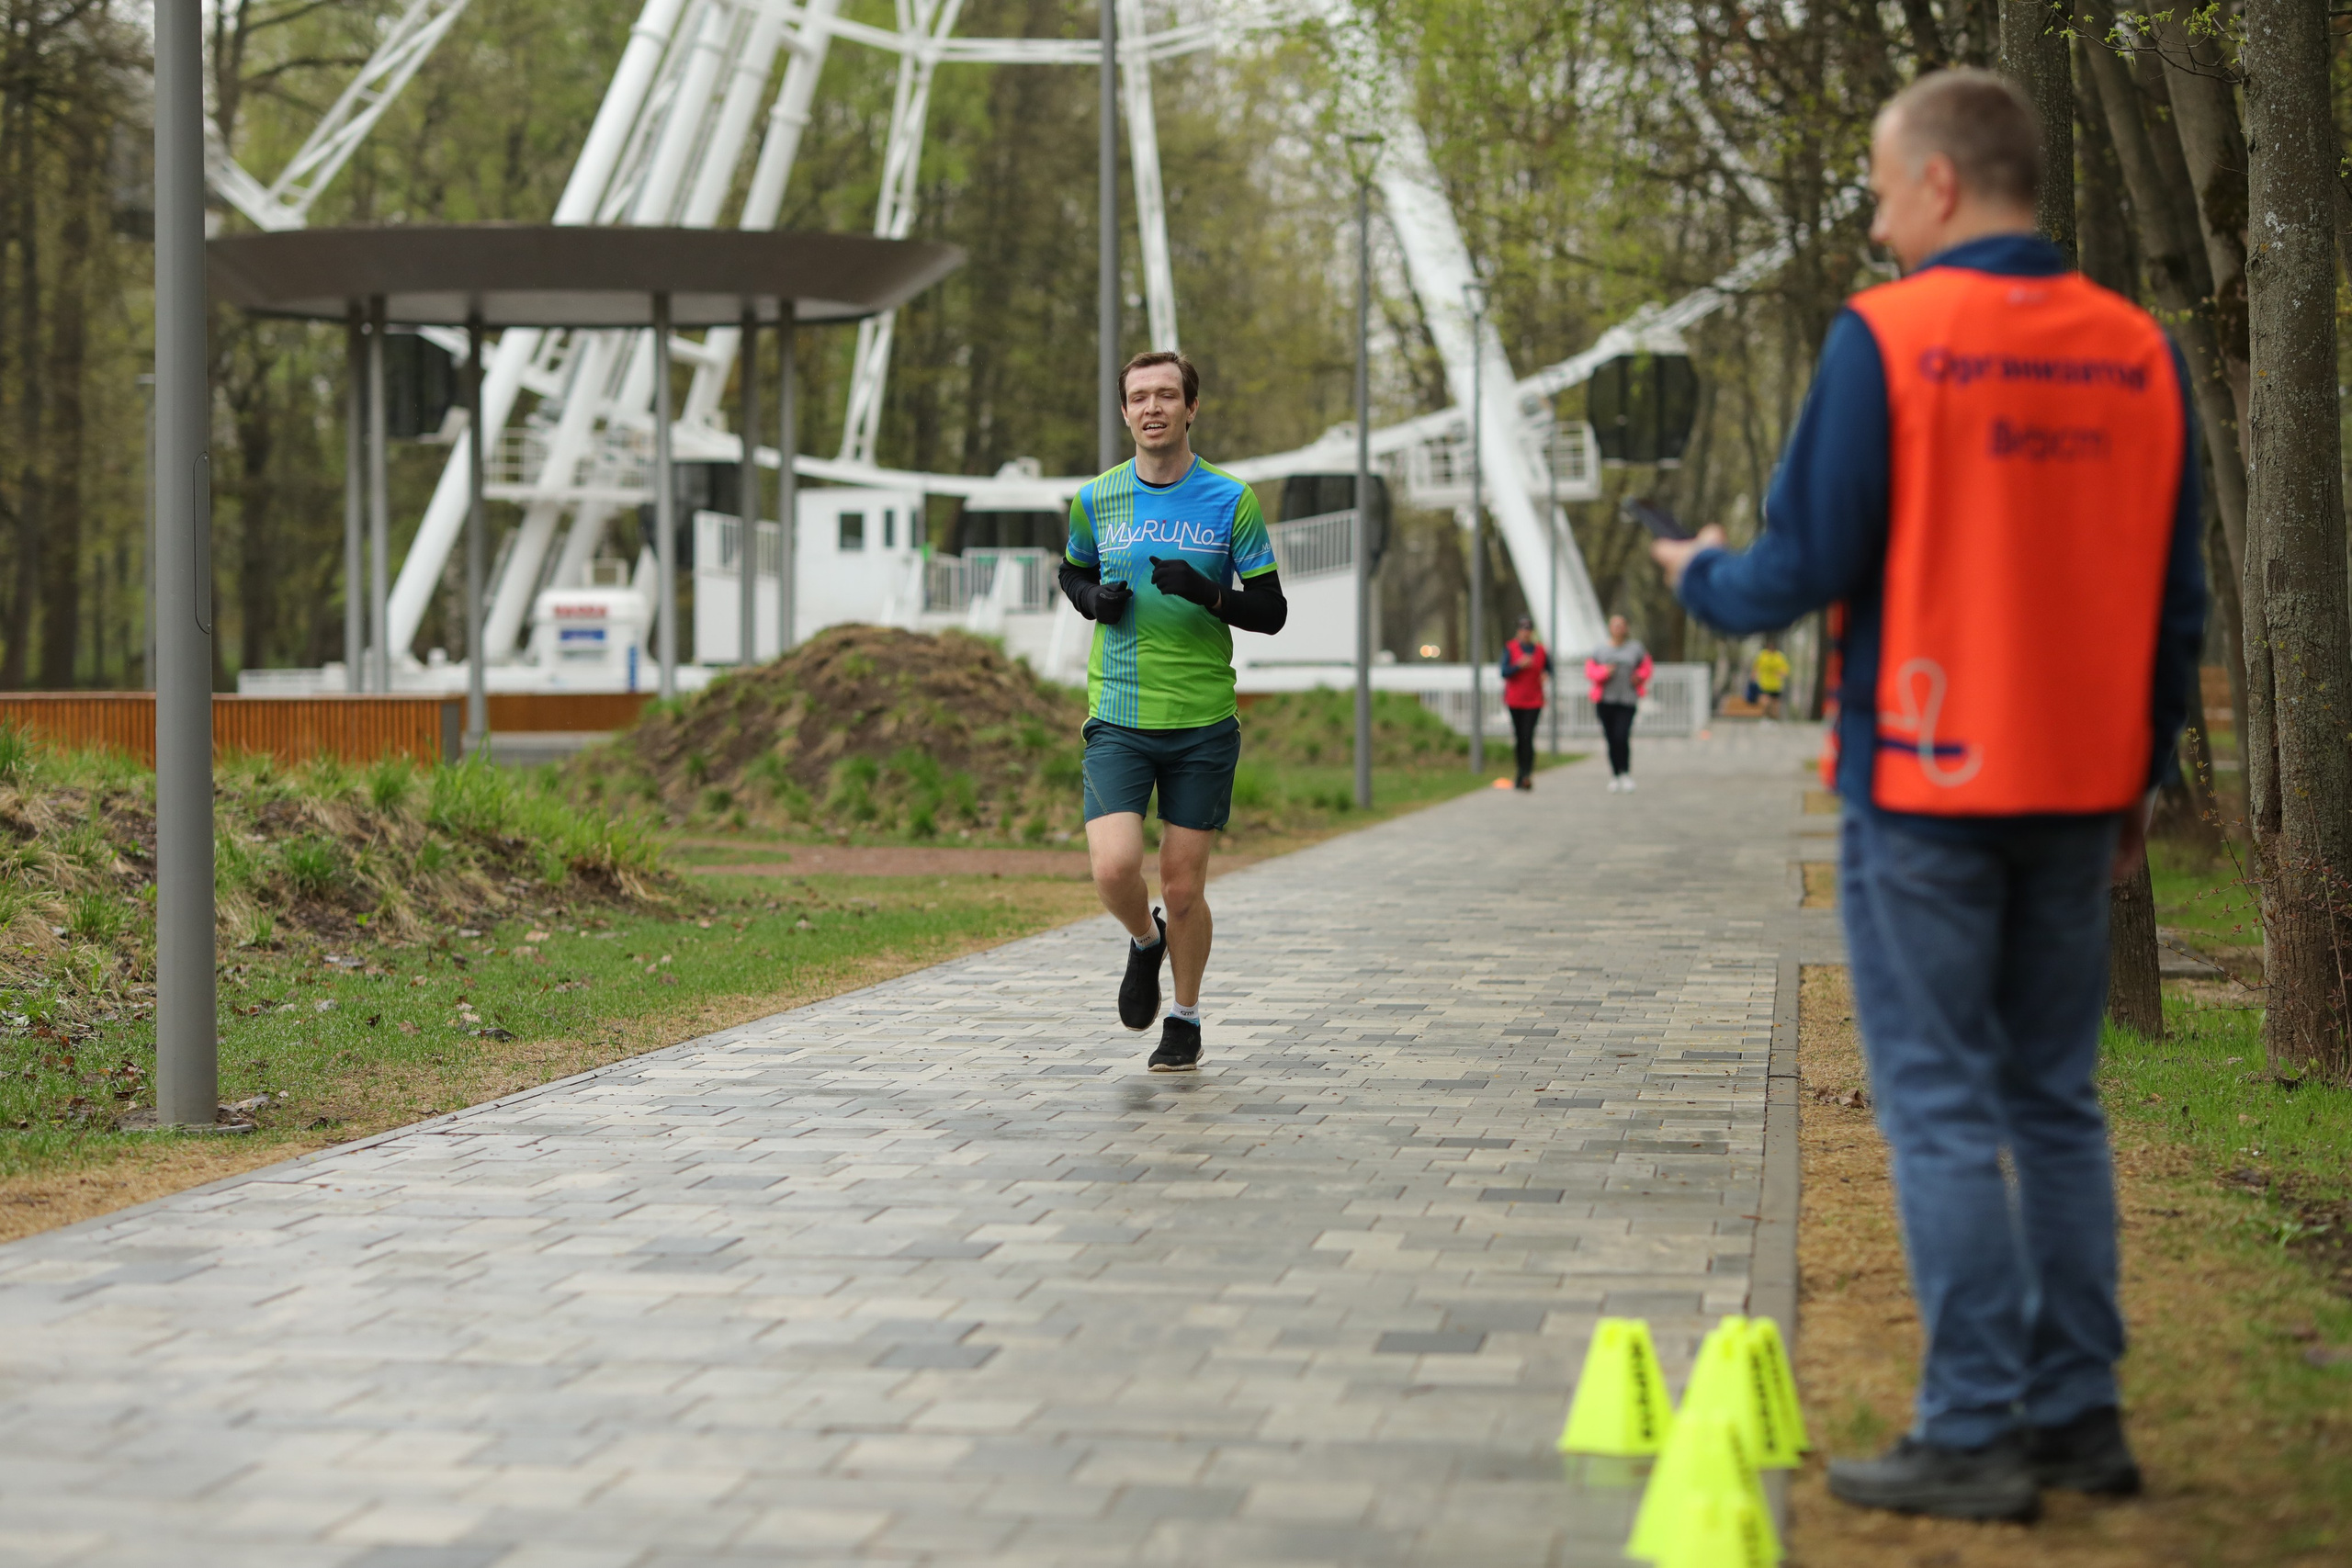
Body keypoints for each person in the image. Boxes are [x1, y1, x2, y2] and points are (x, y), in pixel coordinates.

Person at [1653, 69, 2204, 1523]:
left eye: (1887, 188)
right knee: (2056, 1098)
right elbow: (2178, 600)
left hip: (1925, 779)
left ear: (1943, 185)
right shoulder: (2143, 352)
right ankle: (2082, 1411)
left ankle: (1970, 1427)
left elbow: (1805, 563)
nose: (1881, 218)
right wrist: (2139, 775)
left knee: (1947, 1105)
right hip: (2079, 787)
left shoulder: (1890, 339)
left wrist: (1699, 573)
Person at [1058, 350, 1287, 1073]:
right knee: (1114, 866)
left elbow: (1273, 611)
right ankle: (1143, 940)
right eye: (1138, 397)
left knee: (1185, 886)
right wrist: (1092, 599)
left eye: (1166, 395)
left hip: (1201, 721)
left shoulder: (1230, 501)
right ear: (1124, 413)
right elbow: (1072, 567)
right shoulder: (1097, 498)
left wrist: (1209, 592)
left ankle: (1183, 1017)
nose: (1152, 407)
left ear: (1192, 408)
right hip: (1119, 712)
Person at [1583, 615, 1650, 791]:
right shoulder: (1600, 650)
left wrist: (1639, 677)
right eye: (1615, 625)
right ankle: (1615, 775)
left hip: (1627, 699)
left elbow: (1647, 667)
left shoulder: (1635, 648)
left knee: (1622, 736)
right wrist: (1604, 672)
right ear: (1610, 628)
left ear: (1626, 628)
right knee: (1611, 739)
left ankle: (1625, 773)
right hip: (1605, 700)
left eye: (1622, 625)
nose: (1619, 629)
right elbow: (1590, 671)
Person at [1500, 614, 1550, 790]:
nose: (1525, 633)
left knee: (1528, 736)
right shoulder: (1510, 648)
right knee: (1519, 737)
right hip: (1515, 700)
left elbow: (1549, 669)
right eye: (1522, 629)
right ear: (1518, 631)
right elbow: (1504, 672)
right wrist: (1518, 665)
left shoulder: (1540, 650)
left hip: (1534, 700)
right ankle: (1520, 772)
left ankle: (1527, 774)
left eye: (1528, 629)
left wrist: (1546, 675)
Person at [1747, 639, 1791, 719]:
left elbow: (1785, 670)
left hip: (1776, 685)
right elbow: (1756, 666)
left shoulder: (1779, 656)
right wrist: (1753, 676)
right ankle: (1765, 717)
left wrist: (1781, 674)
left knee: (1775, 704)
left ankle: (1774, 719)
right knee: (1765, 702)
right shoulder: (1762, 655)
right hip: (1764, 683)